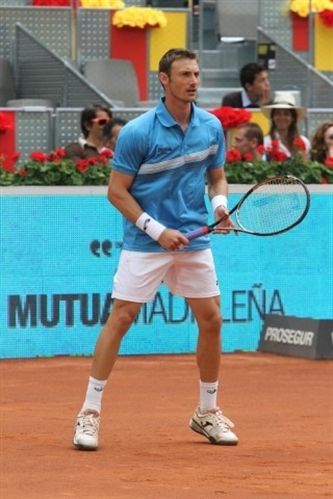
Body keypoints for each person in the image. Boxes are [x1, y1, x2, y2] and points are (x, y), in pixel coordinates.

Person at [72, 48, 239, 451]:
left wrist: (219, 207)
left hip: (194, 238)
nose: (194, 81)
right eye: (185, 74)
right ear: (164, 80)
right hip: (147, 240)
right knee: (122, 317)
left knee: (212, 319)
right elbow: (117, 192)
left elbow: (217, 178)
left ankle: (207, 411)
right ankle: (89, 413)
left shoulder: (211, 127)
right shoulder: (138, 133)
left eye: (197, 73)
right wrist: (156, 229)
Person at [261, 92, 310, 160]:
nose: (282, 117)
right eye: (278, 114)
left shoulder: (304, 142)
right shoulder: (265, 141)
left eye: (286, 114)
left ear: (293, 118)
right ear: (273, 117)